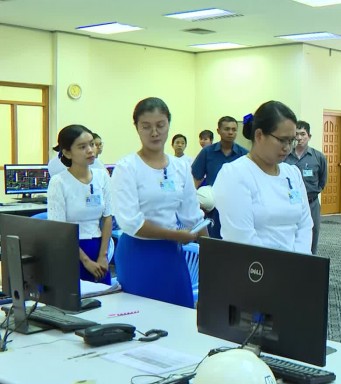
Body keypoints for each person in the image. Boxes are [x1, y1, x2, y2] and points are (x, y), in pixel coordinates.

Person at [112, 97, 206, 308]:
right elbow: (131, 222)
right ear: (137, 128)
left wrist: (213, 251)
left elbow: (192, 214)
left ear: (168, 125)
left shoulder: (180, 167)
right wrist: (174, 235)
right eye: (146, 127)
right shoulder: (127, 168)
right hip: (139, 253)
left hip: (172, 256)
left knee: (179, 314)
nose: (154, 133)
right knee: (142, 316)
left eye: (160, 125)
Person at [214, 101, 313, 253]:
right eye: (282, 140)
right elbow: (242, 238)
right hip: (253, 264)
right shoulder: (235, 174)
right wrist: (281, 263)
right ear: (259, 135)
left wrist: (300, 258)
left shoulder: (292, 174)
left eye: (291, 141)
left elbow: (305, 224)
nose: (287, 148)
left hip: (297, 263)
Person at [47, 124, 113, 284]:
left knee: (105, 295)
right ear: (67, 153)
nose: (90, 150)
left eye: (92, 144)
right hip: (71, 250)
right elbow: (59, 229)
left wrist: (103, 256)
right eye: (82, 147)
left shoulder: (102, 176)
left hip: (98, 248)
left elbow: (108, 218)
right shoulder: (59, 182)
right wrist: (86, 261)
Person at [192, 116, 248, 238]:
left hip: (236, 209)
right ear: (218, 131)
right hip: (212, 209)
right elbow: (196, 179)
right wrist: (197, 201)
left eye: (234, 129)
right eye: (227, 129)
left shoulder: (244, 154)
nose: (230, 132)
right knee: (212, 243)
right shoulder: (207, 152)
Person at [284, 121, 327, 254]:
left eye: (303, 134)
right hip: (289, 202)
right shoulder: (285, 156)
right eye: (296, 134)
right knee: (289, 235)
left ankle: (311, 262)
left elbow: (322, 181)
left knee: (313, 234)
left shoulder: (318, 157)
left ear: (309, 136)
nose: (299, 138)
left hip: (311, 203)